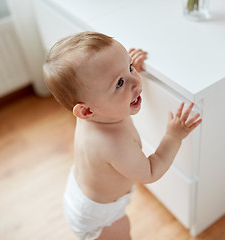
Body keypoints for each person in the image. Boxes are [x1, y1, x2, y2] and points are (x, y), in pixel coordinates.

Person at [43, 31, 202, 240]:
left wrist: (125, 72)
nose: (135, 82)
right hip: (99, 217)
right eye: (119, 83)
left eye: (129, 67)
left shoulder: (95, 110)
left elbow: (102, 80)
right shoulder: (112, 143)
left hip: (82, 192)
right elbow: (151, 171)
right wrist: (173, 136)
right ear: (87, 111)